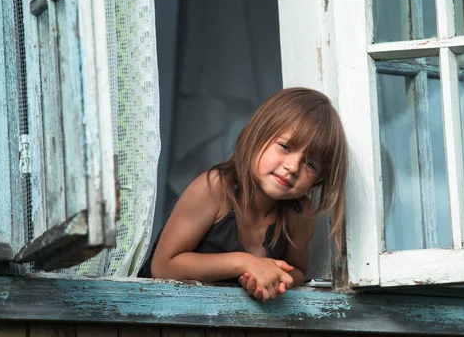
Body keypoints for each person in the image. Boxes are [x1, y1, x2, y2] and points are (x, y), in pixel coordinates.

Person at [138, 87, 348, 302]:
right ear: (257, 135)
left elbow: (297, 272)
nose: (293, 166)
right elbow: (163, 265)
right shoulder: (214, 188)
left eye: (310, 164)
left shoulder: (300, 214)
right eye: (285, 146)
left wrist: (269, 278)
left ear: (319, 179)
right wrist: (245, 263)